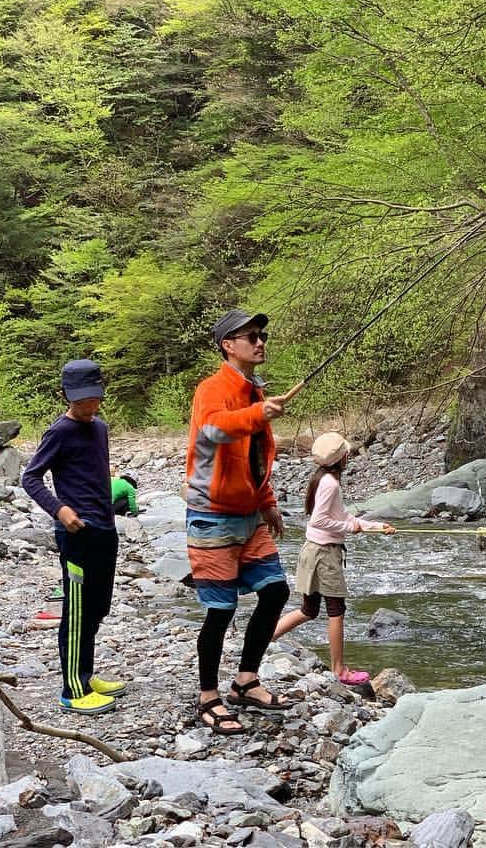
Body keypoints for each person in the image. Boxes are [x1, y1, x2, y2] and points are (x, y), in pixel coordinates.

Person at [185, 310, 293, 735]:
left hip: (249, 516)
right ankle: (208, 696)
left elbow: (253, 459)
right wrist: (259, 414)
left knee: (276, 591)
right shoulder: (213, 390)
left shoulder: (254, 391)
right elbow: (215, 430)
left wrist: (267, 502)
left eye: (262, 334)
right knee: (220, 610)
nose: (260, 341)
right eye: (251, 336)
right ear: (229, 345)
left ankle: (246, 680)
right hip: (211, 515)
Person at [22, 360, 126, 714]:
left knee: (99, 606)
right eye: (81, 399)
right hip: (76, 534)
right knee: (78, 610)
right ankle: (72, 689)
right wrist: (60, 510)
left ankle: (86, 673)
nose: (89, 405)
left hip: (104, 529)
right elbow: (31, 478)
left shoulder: (99, 428)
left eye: (94, 397)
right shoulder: (60, 432)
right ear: (65, 396)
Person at [273, 432, 394, 683]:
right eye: (346, 453)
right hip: (324, 554)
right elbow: (320, 520)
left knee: (309, 610)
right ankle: (339, 671)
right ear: (341, 458)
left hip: (313, 550)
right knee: (336, 611)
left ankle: (260, 641)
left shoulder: (323, 479)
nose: (349, 455)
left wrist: (375, 526)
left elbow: (342, 516)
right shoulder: (330, 483)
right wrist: (351, 529)